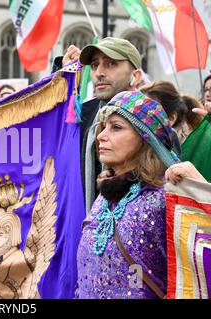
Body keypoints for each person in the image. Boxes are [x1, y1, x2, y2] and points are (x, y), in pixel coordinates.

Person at [76, 90, 179, 299]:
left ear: (145, 138)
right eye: (103, 127)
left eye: (116, 127)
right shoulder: (105, 196)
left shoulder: (165, 200)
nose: (102, 136)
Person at [53, 37, 144, 214]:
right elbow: (52, 131)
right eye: (95, 65)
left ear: (136, 75)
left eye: (111, 64)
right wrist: (63, 75)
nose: (99, 73)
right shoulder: (85, 112)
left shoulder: (152, 119)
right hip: (84, 226)